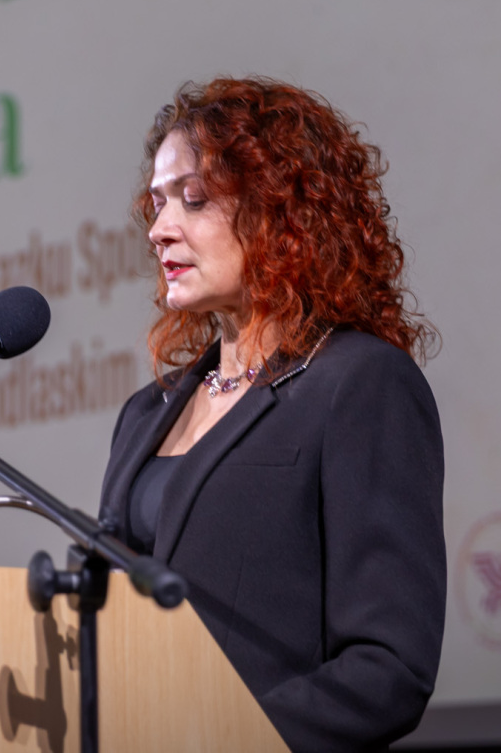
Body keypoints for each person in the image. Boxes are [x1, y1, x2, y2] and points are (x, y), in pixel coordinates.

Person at [98, 78, 446, 751]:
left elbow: (388, 668)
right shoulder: (146, 413)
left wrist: (222, 741)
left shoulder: (358, 384)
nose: (159, 229)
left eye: (193, 199)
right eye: (158, 202)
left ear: (279, 211)